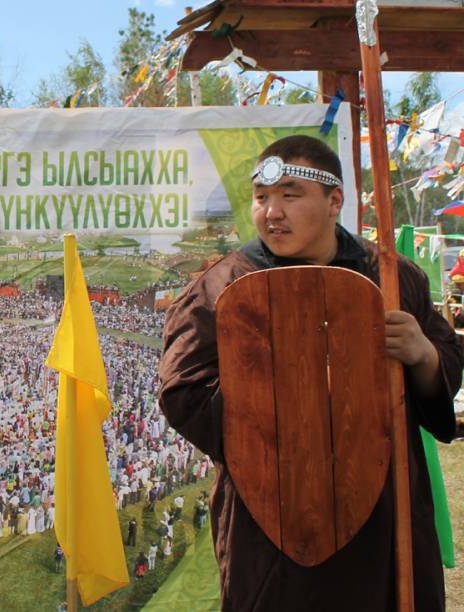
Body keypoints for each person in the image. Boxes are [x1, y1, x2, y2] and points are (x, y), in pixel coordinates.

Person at [159, 134, 463, 611]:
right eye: (261, 198)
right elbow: (183, 390)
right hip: (271, 515)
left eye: (290, 195)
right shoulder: (223, 287)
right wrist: (280, 392)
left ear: (334, 201)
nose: (271, 213)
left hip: (384, 507)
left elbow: (445, 363)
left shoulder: (392, 277)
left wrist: (423, 355)